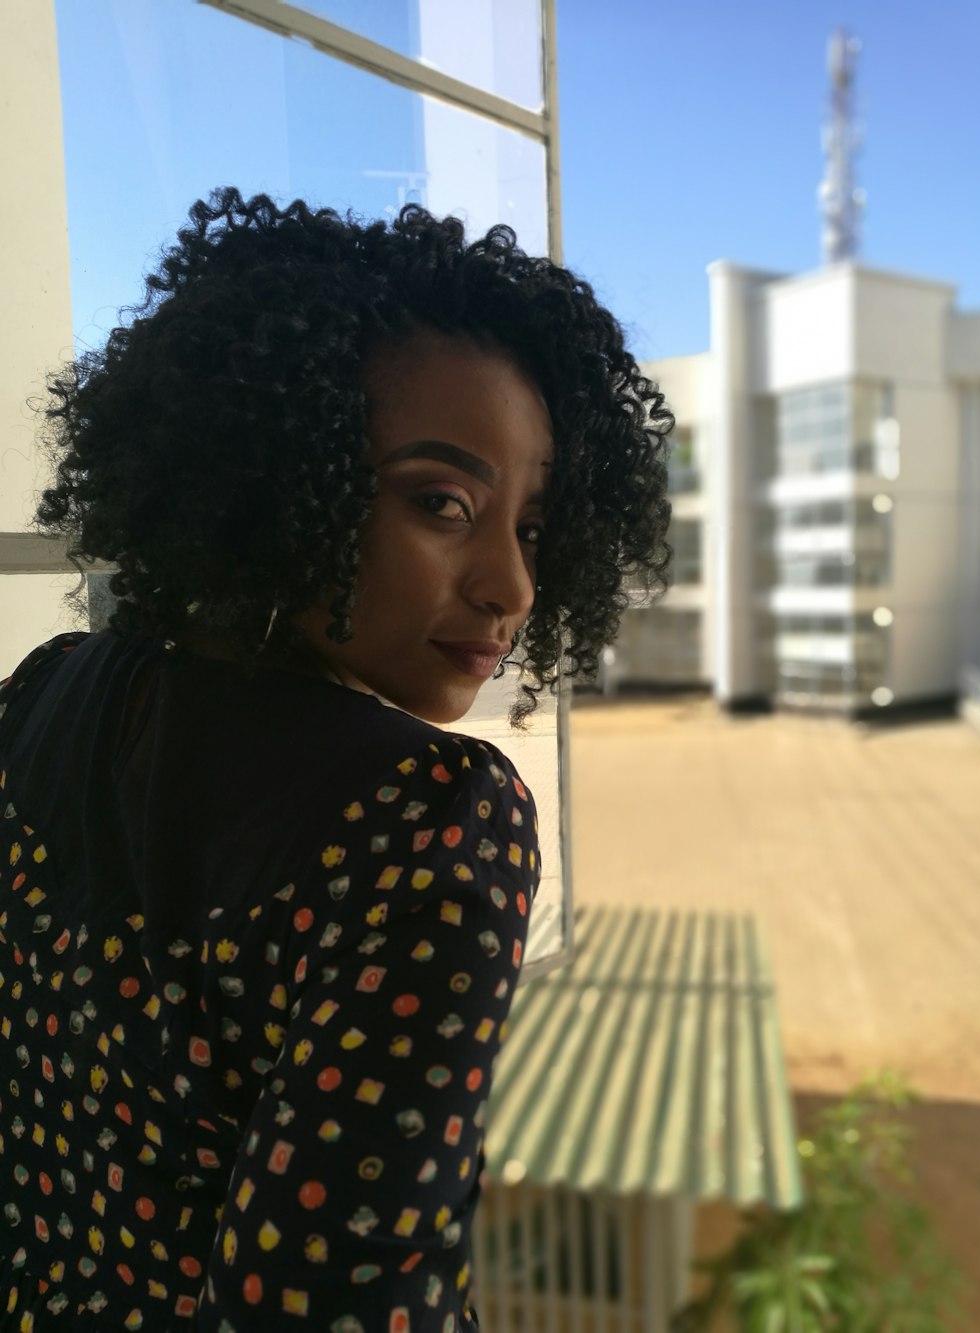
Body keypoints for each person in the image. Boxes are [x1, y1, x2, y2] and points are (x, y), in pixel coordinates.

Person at [0, 188, 672, 1331]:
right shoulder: (432, 816)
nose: (511, 587)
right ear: (276, 476)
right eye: (444, 502)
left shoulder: (45, 691)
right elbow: (337, 1300)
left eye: (533, 528)